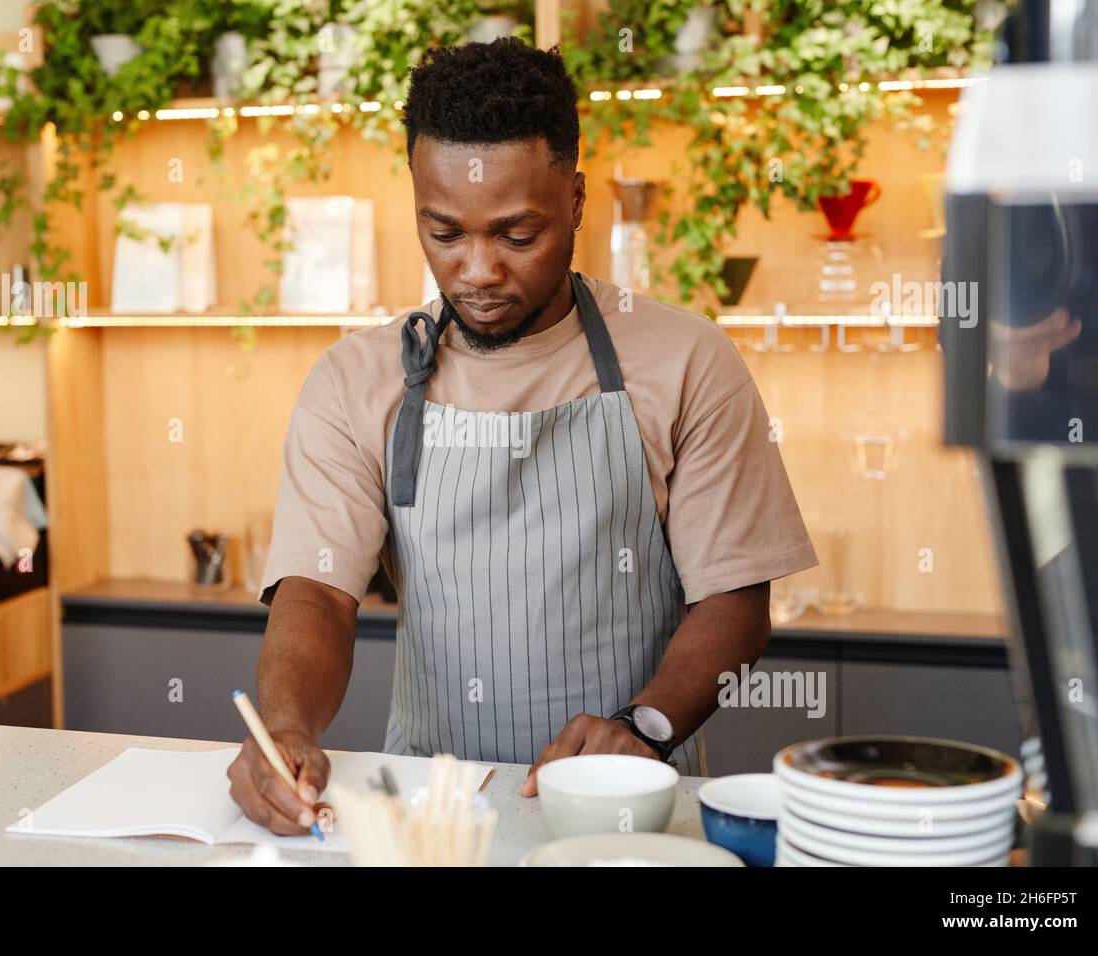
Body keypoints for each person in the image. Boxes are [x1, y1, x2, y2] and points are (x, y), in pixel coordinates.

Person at [226, 38, 817, 836]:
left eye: (515, 235)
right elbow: (319, 591)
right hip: (434, 818)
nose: (476, 271)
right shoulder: (355, 380)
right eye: (443, 234)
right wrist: (286, 726)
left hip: (623, 812)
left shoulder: (684, 359)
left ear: (575, 202)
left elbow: (738, 600)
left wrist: (641, 729)